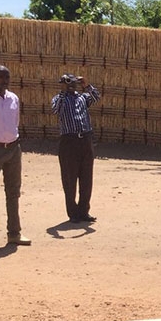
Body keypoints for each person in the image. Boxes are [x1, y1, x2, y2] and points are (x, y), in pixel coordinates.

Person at [0, 65, 30, 250]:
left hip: (13, 150)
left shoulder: (14, 98)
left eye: (7, 77)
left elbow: (15, 123)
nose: (5, 80)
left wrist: (14, 144)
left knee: (13, 192)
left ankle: (14, 233)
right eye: (1, 77)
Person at [51, 73, 101, 223]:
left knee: (86, 178)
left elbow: (96, 97)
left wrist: (86, 85)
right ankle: (73, 213)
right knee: (69, 178)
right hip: (69, 141)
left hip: (85, 139)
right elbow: (55, 109)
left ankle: (84, 211)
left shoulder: (82, 98)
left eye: (73, 83)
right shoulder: (59, 99)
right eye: (68, 83)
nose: (71, 86)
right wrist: (63, 91)